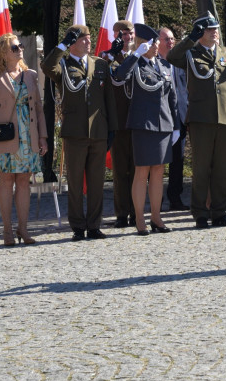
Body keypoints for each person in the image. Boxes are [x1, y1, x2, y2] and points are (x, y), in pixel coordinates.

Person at [168, 13, 226, 229]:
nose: (215, 32)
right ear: (200, 32)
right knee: (201, 168)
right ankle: (200, 212)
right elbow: (172, 57)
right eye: (210, 29)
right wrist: (190, 39)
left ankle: (220, 211)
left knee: (223, 168)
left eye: (216, 28)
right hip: (201, 119)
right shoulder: (191, 53)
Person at [42, 24, 117, 242]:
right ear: (73, 43)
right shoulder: (63, 65)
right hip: (75, 132)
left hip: (99, 131)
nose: (88, 42)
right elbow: (47, 66)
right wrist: (62, 45)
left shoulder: (100, 64)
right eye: (83, 39)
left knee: (96, 183)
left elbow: (108, 99)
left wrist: (112, 128)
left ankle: (94, 225)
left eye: (89, 38)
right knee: (75, 183)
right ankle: (77, 226)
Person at [0, 33, 48, 246]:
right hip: (3, 136)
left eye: (20, 47)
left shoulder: (31, 75)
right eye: (15, 47)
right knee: (6, 180)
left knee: (24, 182)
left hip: (28, 135)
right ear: (3, 52)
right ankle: (7, 230)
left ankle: (23, 229)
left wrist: (43, 137)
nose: (20, 50)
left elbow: (38, 107)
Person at [113, 24, 181, 235]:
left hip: (163, 124)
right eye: (151, 43)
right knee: (142, 172)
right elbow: (117, 77)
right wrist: (135, 55)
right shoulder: (135, 64)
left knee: (159, 172)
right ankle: (140, 219)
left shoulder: (164, 66)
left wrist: (176, 125)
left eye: (156, 42)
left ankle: (157, 217)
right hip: (143, 124)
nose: (155, 46)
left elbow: (173, 98)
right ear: (141, 44)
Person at [104, 20, 136, 228]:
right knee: (120, 171)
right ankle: (121, 214)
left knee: (138, 171)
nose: (128, 37)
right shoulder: (108, 57)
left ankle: (137, 212)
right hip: (118, 121)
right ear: (115, 35)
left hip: (138, 120)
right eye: (124, 34)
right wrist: (110, 55)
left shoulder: (141, 55)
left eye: (130, 33)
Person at [159, 27, 189, 211]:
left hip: (180, 116)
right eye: (166, 39)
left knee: (178, 159)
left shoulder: (180, 61)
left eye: (172, 39)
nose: (171, 42)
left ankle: (175, 197)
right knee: (158, 160)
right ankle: (156, 199)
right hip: (161, 118)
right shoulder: (153, 62)